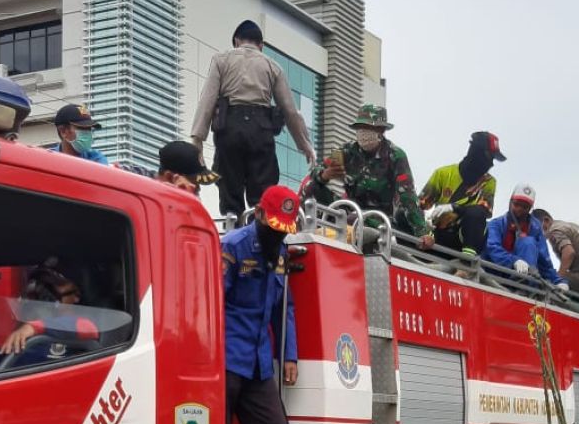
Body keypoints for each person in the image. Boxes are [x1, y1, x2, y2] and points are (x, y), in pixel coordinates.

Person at [220, 185, 300, 424]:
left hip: (259, 362)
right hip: (224, 356)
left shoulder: (280, 253)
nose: (277, 235)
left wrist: (290, 355)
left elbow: (286, 309)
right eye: (273, 227)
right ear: (258, 216)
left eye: (284, 229)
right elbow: (211, 300)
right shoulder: (233, 247)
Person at [190, 20, 316, 216]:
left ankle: (233, 230)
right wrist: (305, 145)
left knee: (230, 192)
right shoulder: (272, 66)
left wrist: (197, 140)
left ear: (236, 41)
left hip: (229, 129)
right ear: (261, 45)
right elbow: (290, 111)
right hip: (261, 131)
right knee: (263, 195)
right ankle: (260, 233)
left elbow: (207, 100)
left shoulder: (221, 60)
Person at [299, 104, 434, 247]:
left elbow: (408, 196)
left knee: (354, 219)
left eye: (368, 128)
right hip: (347, 208)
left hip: (378, 218)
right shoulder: (346, 150)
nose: (363, 133)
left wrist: (422, 232)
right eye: (360, 128)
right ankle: (301, 229)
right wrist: (324, 175)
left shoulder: (395, 155)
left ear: (381, 130)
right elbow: (317, 169)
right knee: (312, 186)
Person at [419, 132, 504, 256]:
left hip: (467, 238)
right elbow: (420, 205)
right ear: (477, 152)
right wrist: (425, 230)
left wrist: (454, 208)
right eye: (489, 157)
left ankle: (466, 263)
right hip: (438, 235)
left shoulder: (488, 182)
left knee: (477, 214)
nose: (491, 163)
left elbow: (484, 210)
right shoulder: (443, 174)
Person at [484, 182, 564, 287]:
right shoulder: (496, 224)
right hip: (494, 275)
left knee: (528, 242)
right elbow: (492, 248)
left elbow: (544, 261)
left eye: (525, 207)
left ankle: (524, 285)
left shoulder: (535, 228)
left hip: (524, 282)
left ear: (530, 208)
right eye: (517, 204)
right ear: (511, 202)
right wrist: (514, 261)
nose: (519, 209)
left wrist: (558, 281)